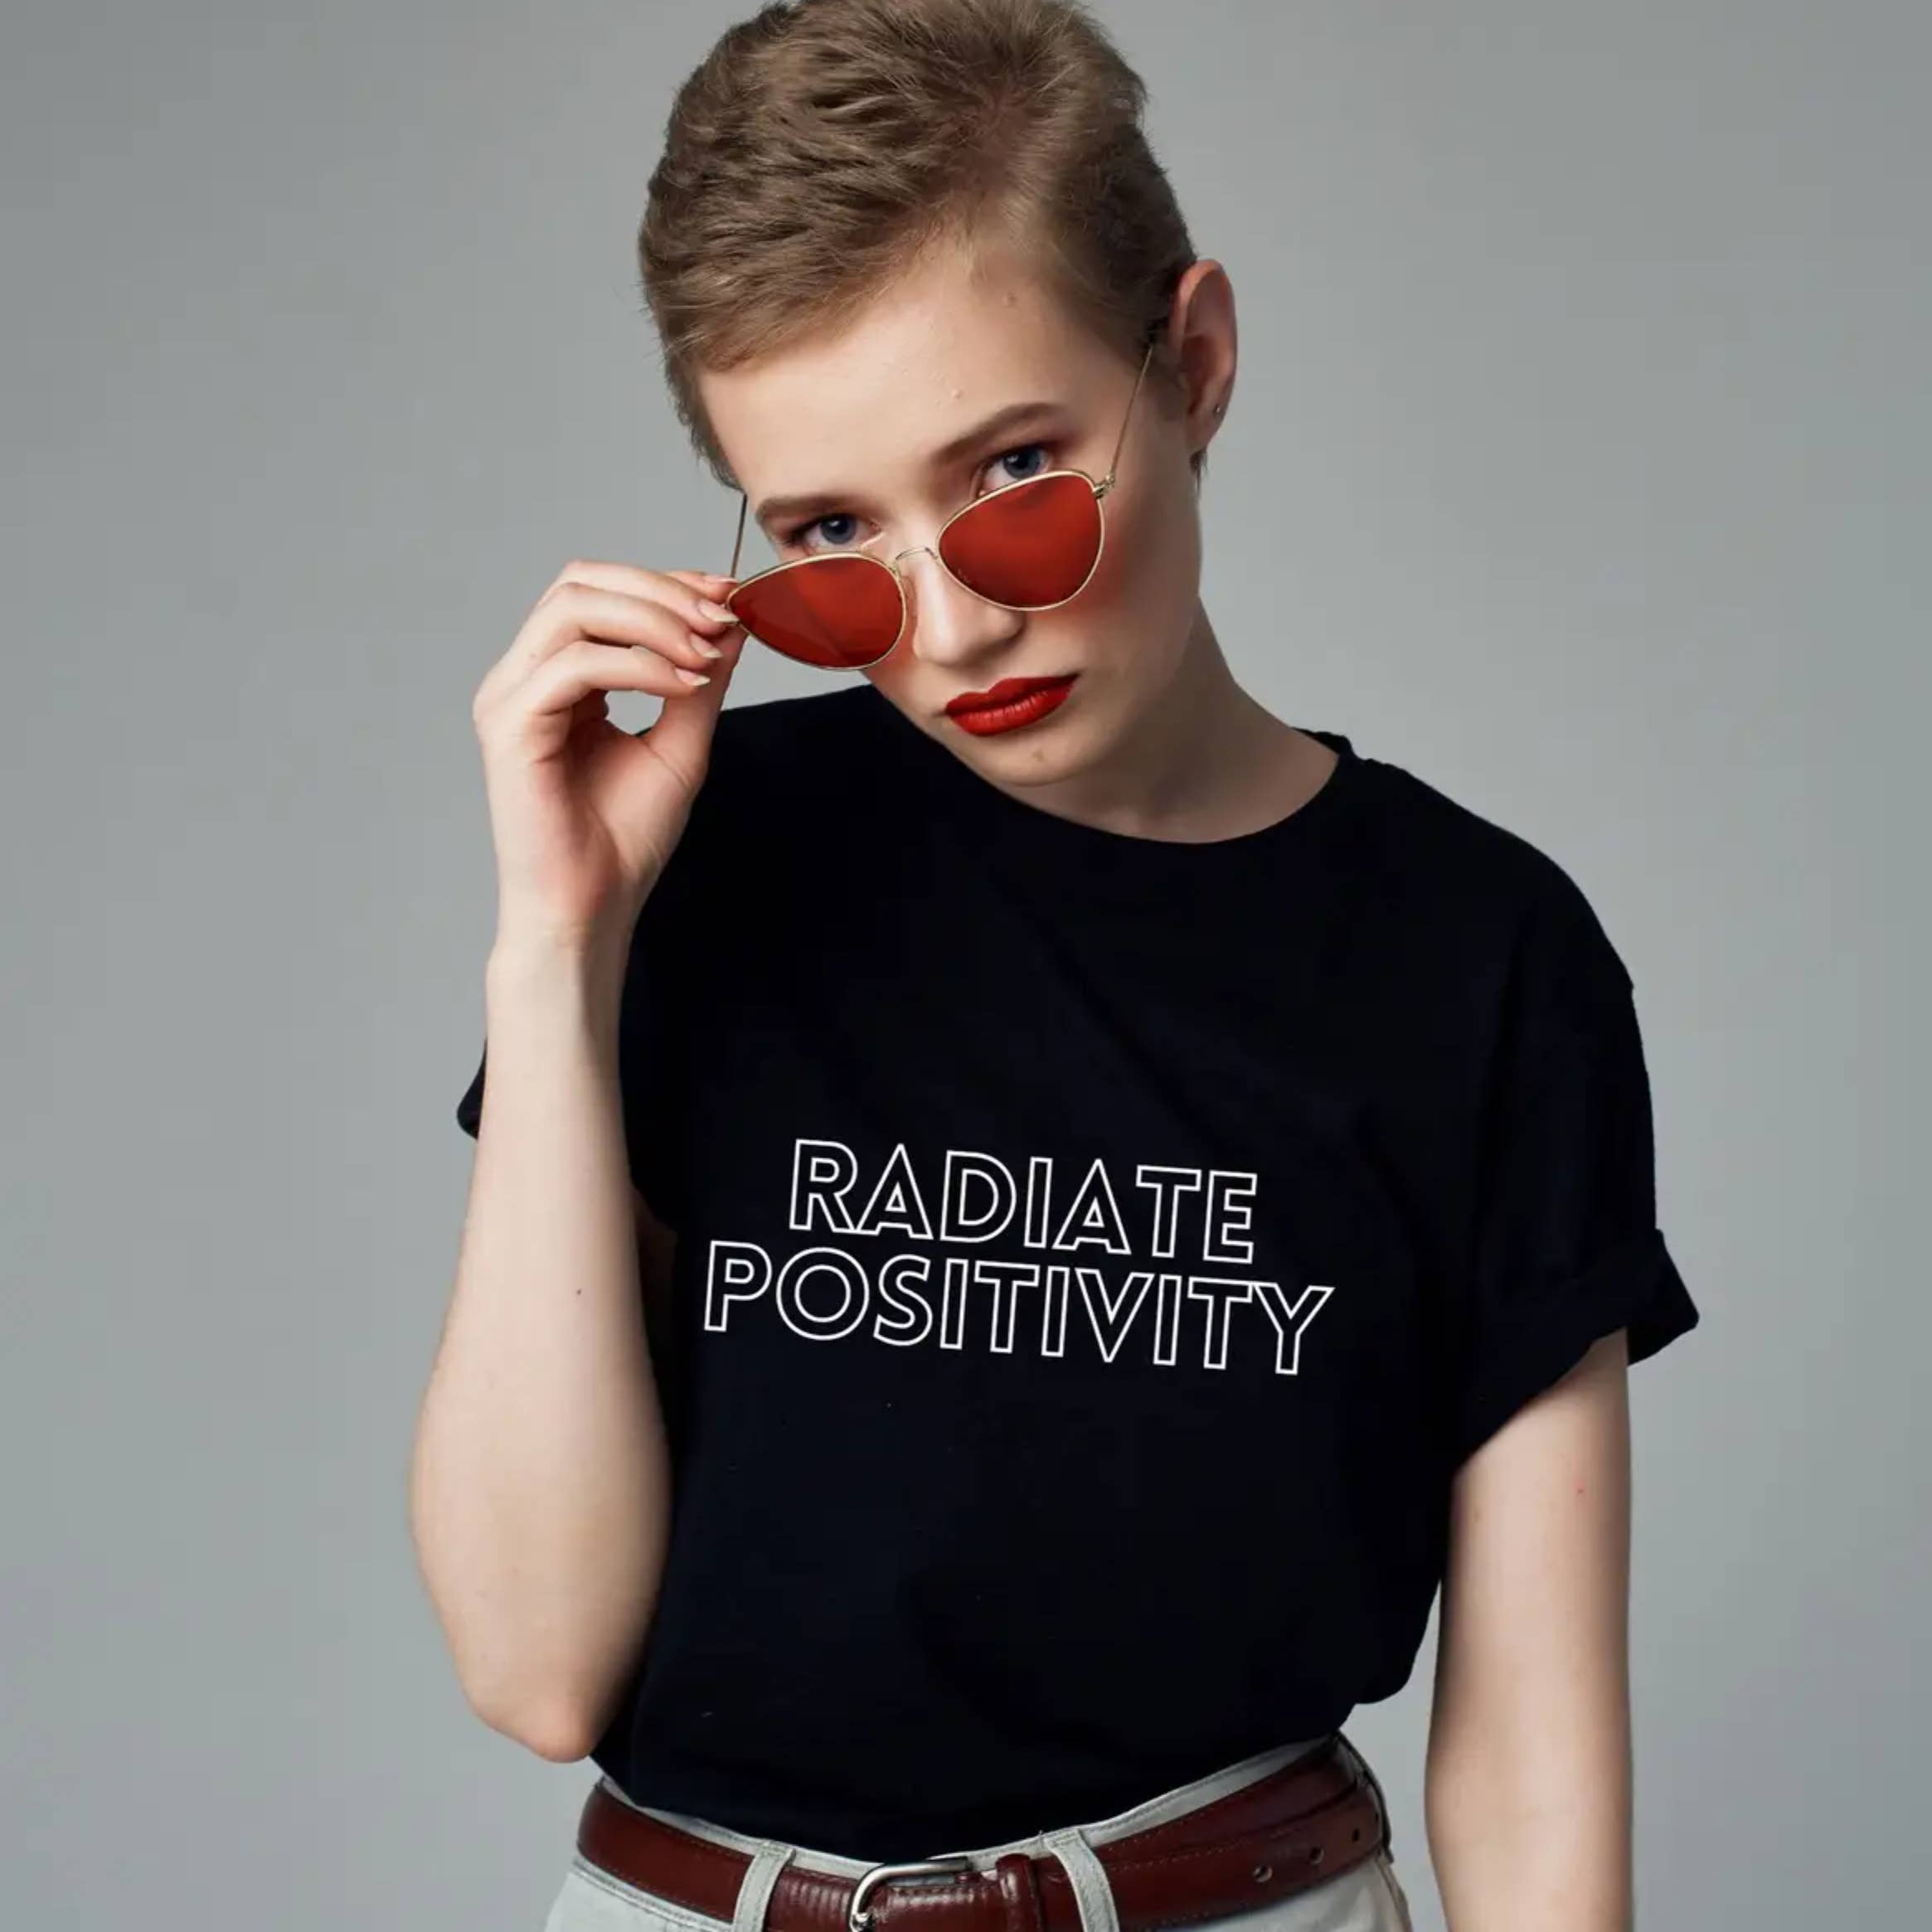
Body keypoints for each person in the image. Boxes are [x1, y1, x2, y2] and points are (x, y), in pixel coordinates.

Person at [410, 3, 1700, 1929]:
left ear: (1194, 364)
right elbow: (535, 1666)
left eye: (1015, 473)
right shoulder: (707, 865)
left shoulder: (1480, 956)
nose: (942, 628)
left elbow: (1529, 1756)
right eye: (829, 538)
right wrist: (555, 947)